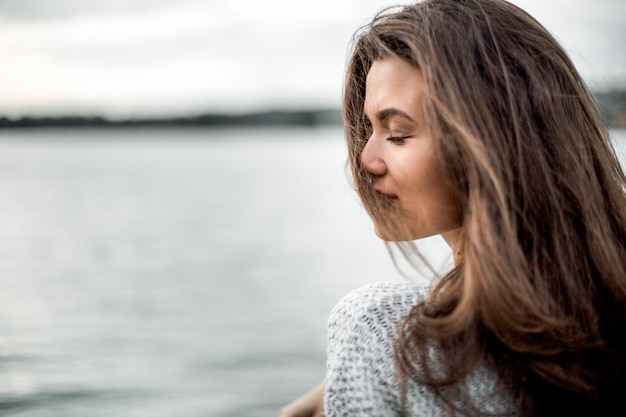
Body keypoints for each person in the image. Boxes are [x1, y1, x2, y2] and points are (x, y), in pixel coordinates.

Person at [280, 0, 626, 415]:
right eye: (367, 129)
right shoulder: (600, 318)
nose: (365, 159)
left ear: (493, 142)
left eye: (398, 133)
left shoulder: (382, 330)